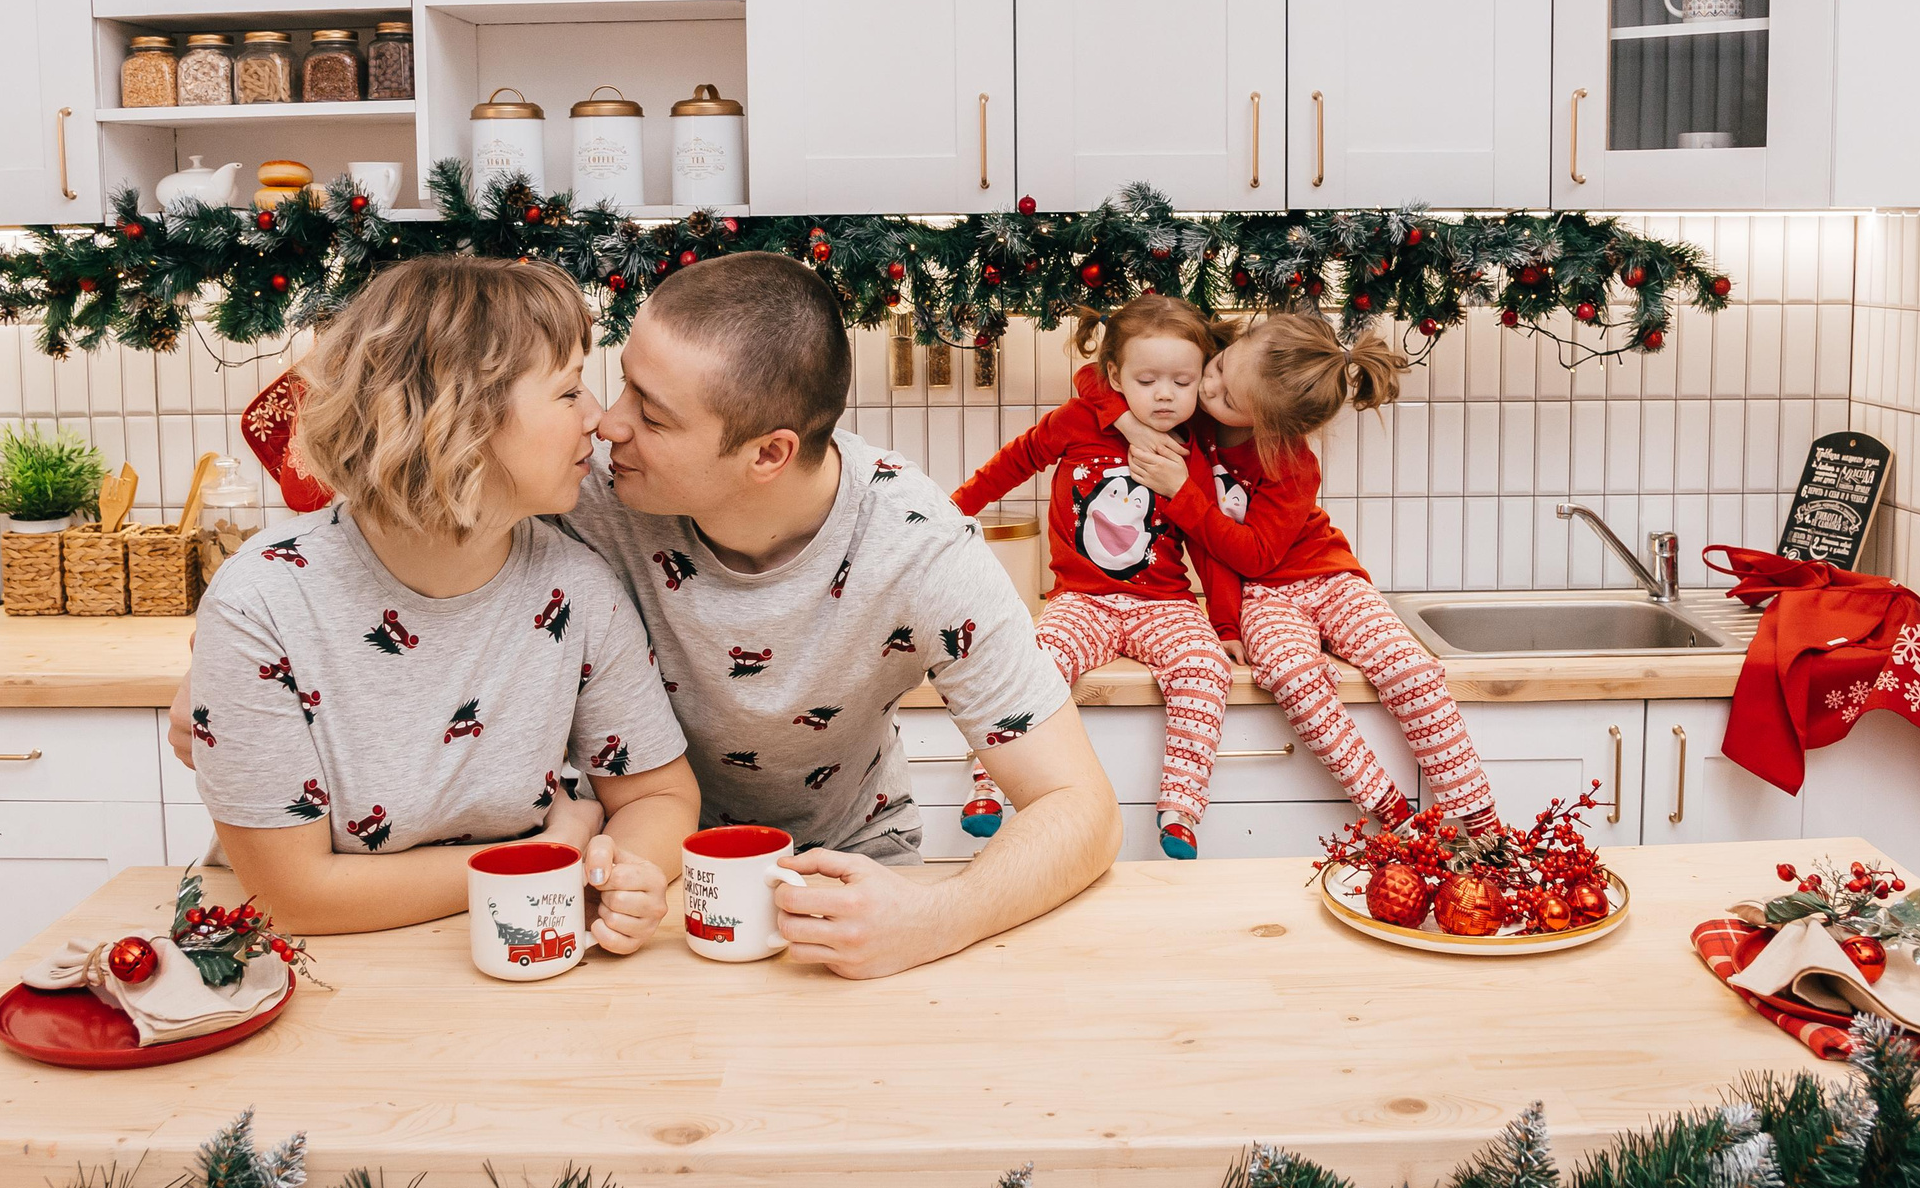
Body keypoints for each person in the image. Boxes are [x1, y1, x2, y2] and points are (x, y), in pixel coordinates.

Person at [557, 253, 1120, 978]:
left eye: (652, 412)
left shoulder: (917, 545)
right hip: (634, 885)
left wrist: (935, 918)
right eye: (622, 382)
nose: (608, 424)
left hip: (845, 877)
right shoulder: (589, 494)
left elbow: (1083, 806)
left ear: (769, 453)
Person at [184, 256, 701, 941]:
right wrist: (539, 861)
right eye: (570, 390)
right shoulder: (261, 603)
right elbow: (294, 897)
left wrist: (625, 865)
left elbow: (660, 795)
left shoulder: (577, 587)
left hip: (517, 950)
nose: (599, 419)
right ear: (462, 418)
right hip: (322, 970)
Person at [1123, 311, 1501, 835]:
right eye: (1217, 367)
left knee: (1409, 670)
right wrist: (1126, 421)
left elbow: (1255, 554)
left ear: (1268, 424)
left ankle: (1479, 817)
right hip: (1262, 600)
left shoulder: (1293, 463)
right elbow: (1102, 377)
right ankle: (1388, 806)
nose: (1206, 386)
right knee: (1292, 677)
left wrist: (1180, 493)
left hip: (1329, 579)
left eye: (1229, 397)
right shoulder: (1192, 406)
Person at [951, 299, 1238, 859]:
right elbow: (1014, 462)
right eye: (1147, 379)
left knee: (1205, 668)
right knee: (1030, 658)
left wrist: (1224, 624)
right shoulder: (1079, 420)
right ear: (1115, 377)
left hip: (1165, 604)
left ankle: (1180, 808)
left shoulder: (1194, 446)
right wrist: (952, 509)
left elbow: (1208, 545)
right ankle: (989, 786)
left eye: (1181, 382)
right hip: (1081, 600)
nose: (1163, 395)